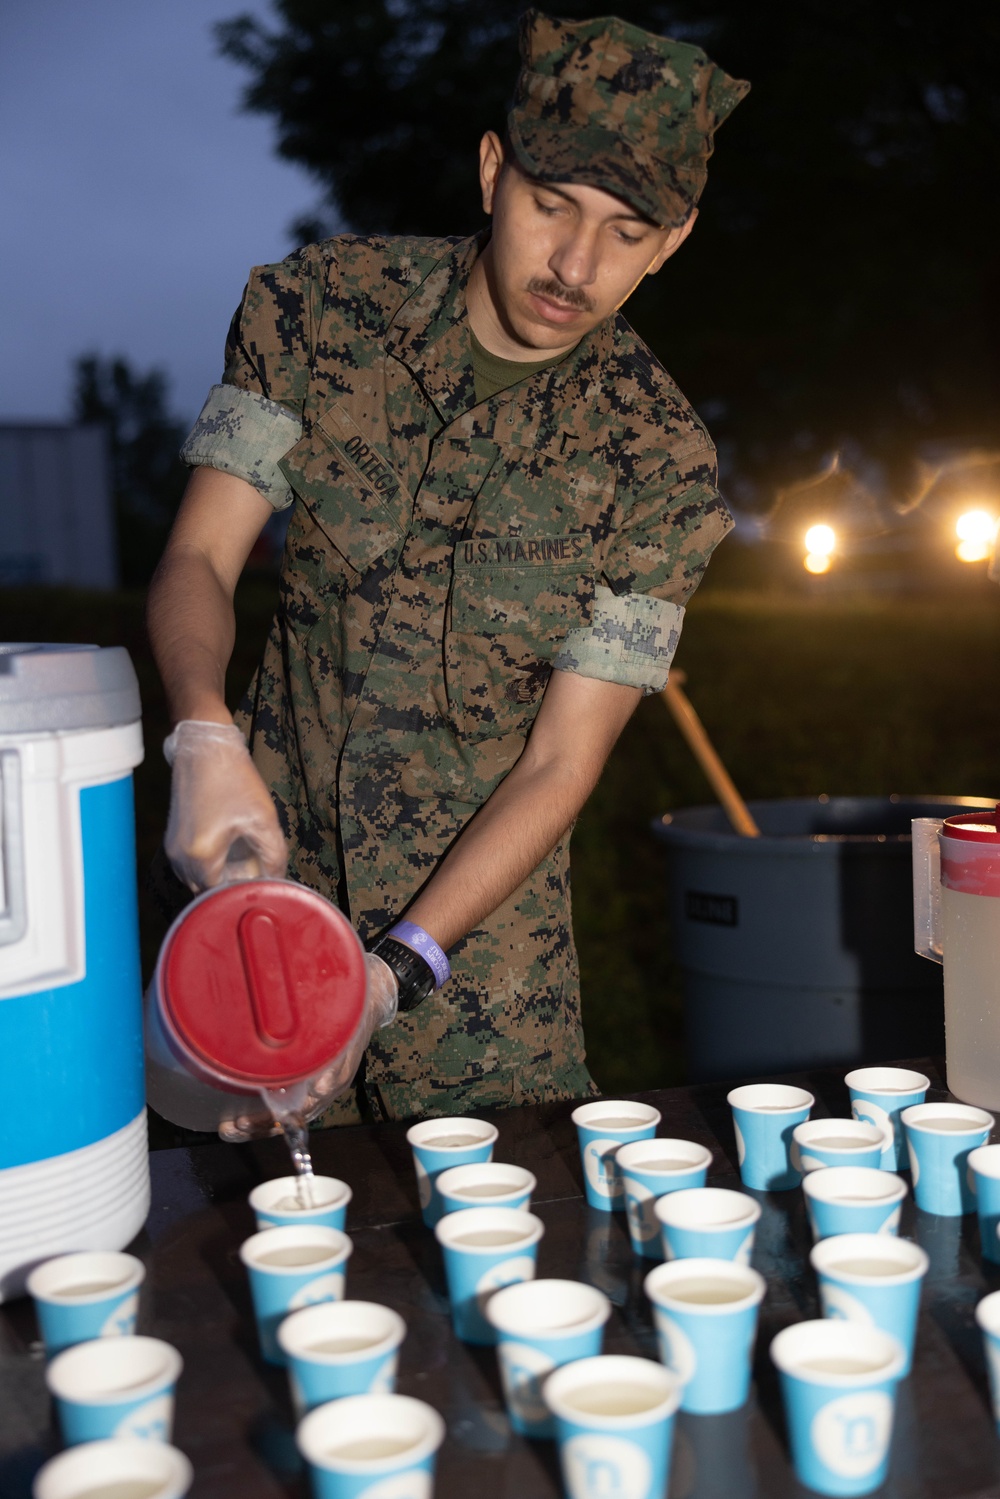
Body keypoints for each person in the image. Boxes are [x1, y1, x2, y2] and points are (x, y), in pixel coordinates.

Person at [147, 9, 749, 1128]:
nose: (575, 264)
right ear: (490, 172)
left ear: (672, 241)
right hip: (260, 906)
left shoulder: (658, 463)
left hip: (485, 991)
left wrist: (395, 969)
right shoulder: (318, 313)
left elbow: (563, 759)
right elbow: (197, 554)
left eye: (627, 232)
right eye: (550, 205)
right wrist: (202, 732)